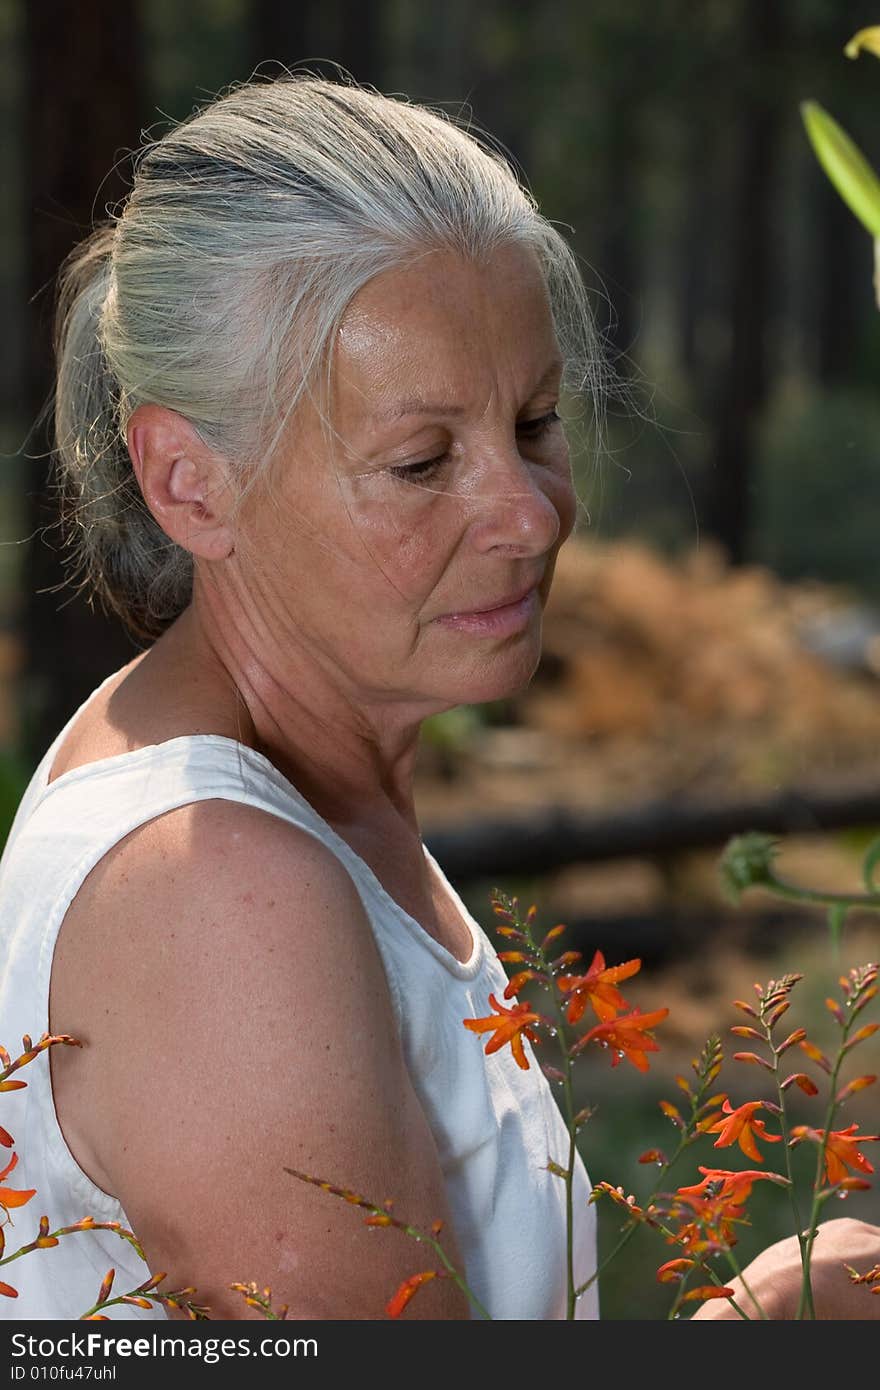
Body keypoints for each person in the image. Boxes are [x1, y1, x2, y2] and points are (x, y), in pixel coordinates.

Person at [0, 73, 877, 1322]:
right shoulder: (212, 890)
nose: (530, 516)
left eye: (532, 423)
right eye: (420, 462)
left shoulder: (281, 796)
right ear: (190, 481)